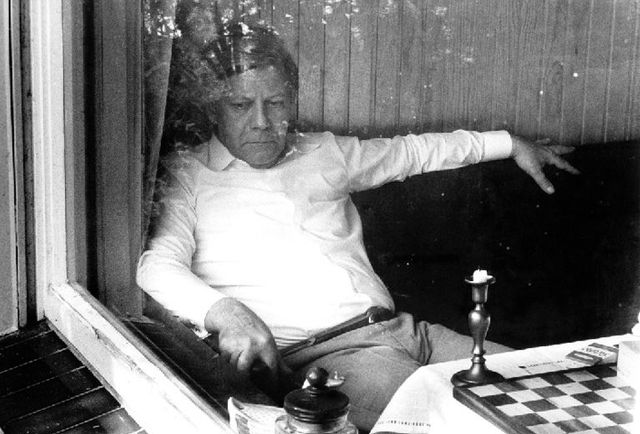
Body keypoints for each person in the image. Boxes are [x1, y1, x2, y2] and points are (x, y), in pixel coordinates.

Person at [137, 16, 579, 431]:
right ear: (214, 107)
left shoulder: (324, 152)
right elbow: (156, 266)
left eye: (275, 103)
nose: (262, 122)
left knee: (556, 391)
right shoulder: (189, 174)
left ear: (292, 102)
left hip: (411, 332)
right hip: (332, 361)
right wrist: (228, 314)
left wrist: (510, 144)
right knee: (475, 422)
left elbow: (412, 152)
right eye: (240, 105)